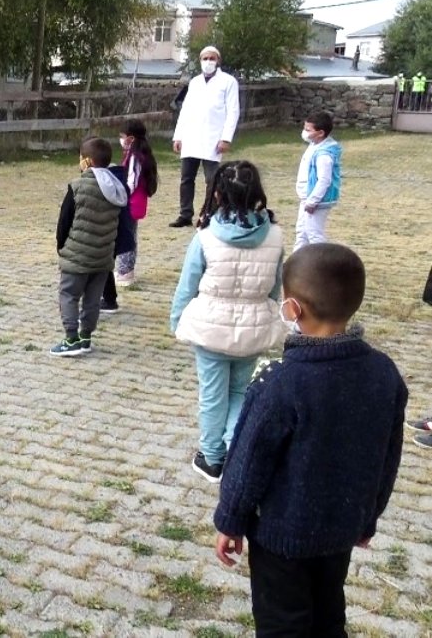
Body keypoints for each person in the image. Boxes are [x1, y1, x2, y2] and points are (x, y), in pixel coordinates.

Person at [214, 243, 406, 635]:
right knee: (328, 611)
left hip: (280, 538)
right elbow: (387, 457)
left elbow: (248, 462)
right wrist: (368, 517)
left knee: (283, 623)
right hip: (341, 530)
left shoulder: (280, 382)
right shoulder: (385, 374)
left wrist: (230, 521)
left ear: (292, 309)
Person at [171, 161, 286, 482]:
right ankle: (238, 447)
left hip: (210, 329)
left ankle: (212, 457)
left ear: (217, 194)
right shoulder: (275, 236)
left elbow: (187, 284)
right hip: (252, 329)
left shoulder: (205, 237)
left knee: (212, 396)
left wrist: (177, 319)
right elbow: (275, 285)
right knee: (238, 393)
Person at [50, 137, 128, 357]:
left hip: (77, 257)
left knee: (69, 295)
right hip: (103, 258)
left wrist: (62, 247)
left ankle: (71, 338)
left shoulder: (77, 186)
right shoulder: (117, 189)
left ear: (88, 162)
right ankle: (86, 337)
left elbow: (64, 222)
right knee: (92, 300)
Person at [170, 46, 239, 228]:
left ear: (218, 61)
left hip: (213, 137)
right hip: (192, 136)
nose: (208, 61)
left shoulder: (228, 82)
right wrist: (178, 136)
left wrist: (226, 138)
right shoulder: (195, 82)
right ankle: (185, 214)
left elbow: (233, 111)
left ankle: (209, 213)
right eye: (205, 58)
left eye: (212, 58)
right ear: (200, 60)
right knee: (186, 178)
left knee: (212, 179)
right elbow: (185, 110)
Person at [102, 119, 160, 311]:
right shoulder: (138, 153)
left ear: (131, 138)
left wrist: (122, 193)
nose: (120, 139)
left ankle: (125, 271)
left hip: (132, 200)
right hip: (135, 200)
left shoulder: (135, 156)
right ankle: (126, 270)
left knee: (127, 234)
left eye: (122, 136)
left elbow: (132, 180)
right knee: (130, 233)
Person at [293, 111, 341, 250]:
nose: (304, 132)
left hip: (315, 201)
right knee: (302, 233)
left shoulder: (324, 155)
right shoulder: (314, 145)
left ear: (320, 133)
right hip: (307, 198)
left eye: (308, 130)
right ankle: (297, 265)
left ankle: (322, 267)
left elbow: (324, 180)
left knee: (314, 235)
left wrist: (313, 201)